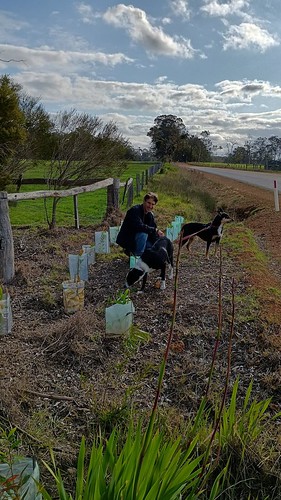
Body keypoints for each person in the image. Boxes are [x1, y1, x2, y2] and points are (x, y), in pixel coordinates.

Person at [116, 192, 165, 257]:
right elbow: (139, 226)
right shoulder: (134, 211)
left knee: (154, 248)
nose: (150, 206)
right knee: (143, 234)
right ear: (144, 201)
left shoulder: (150, 215)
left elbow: (152, 231)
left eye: (153, 204)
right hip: (129, 239)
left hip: (139, 240)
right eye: (149, 203)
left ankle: (138, 254)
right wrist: (155, 230)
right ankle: (137, 257)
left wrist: (159, 244)